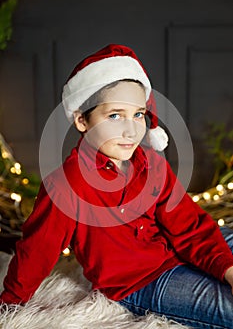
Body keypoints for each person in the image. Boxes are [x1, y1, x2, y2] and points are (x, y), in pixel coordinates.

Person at [1, 44, 233, 328]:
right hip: (144, 280)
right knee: (226, 306)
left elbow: (189, 225)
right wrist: (10, 304)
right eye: (114, 115)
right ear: (82, 120)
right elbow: (36, 250)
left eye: (138, 114)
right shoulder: (67, 184)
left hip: (175, 247)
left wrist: (226, 268)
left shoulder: (152, 165)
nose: (131, 129)